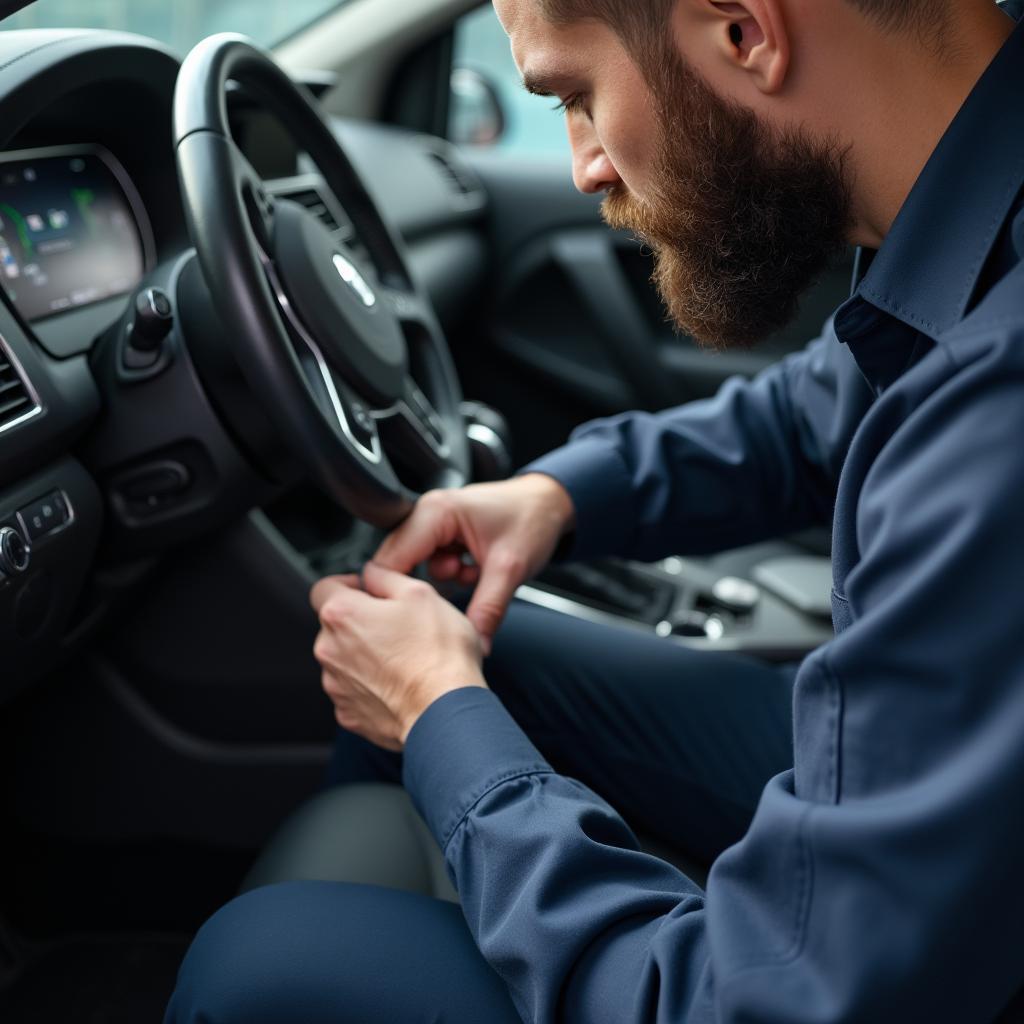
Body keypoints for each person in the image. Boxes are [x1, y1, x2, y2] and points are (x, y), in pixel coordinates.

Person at [166, 0, 1024, 1020]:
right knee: (479, 642)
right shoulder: (968, 215)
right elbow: (816, 411)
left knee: (253, 963)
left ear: (745, 31)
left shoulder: (994, 415)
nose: (582, 166)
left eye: (575, 96)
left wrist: (444, 724)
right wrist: (557, 496)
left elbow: (742, 1004)